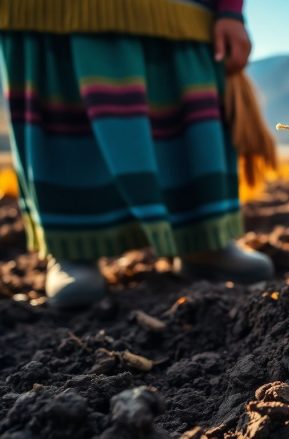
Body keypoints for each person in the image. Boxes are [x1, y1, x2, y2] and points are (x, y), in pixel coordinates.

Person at [0, 0, 274, 308]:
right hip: (52, 14)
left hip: (180, 12)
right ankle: (72, 246)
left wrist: (230, 10)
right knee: (65, 111)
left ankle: (203, 238)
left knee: (183, 111)